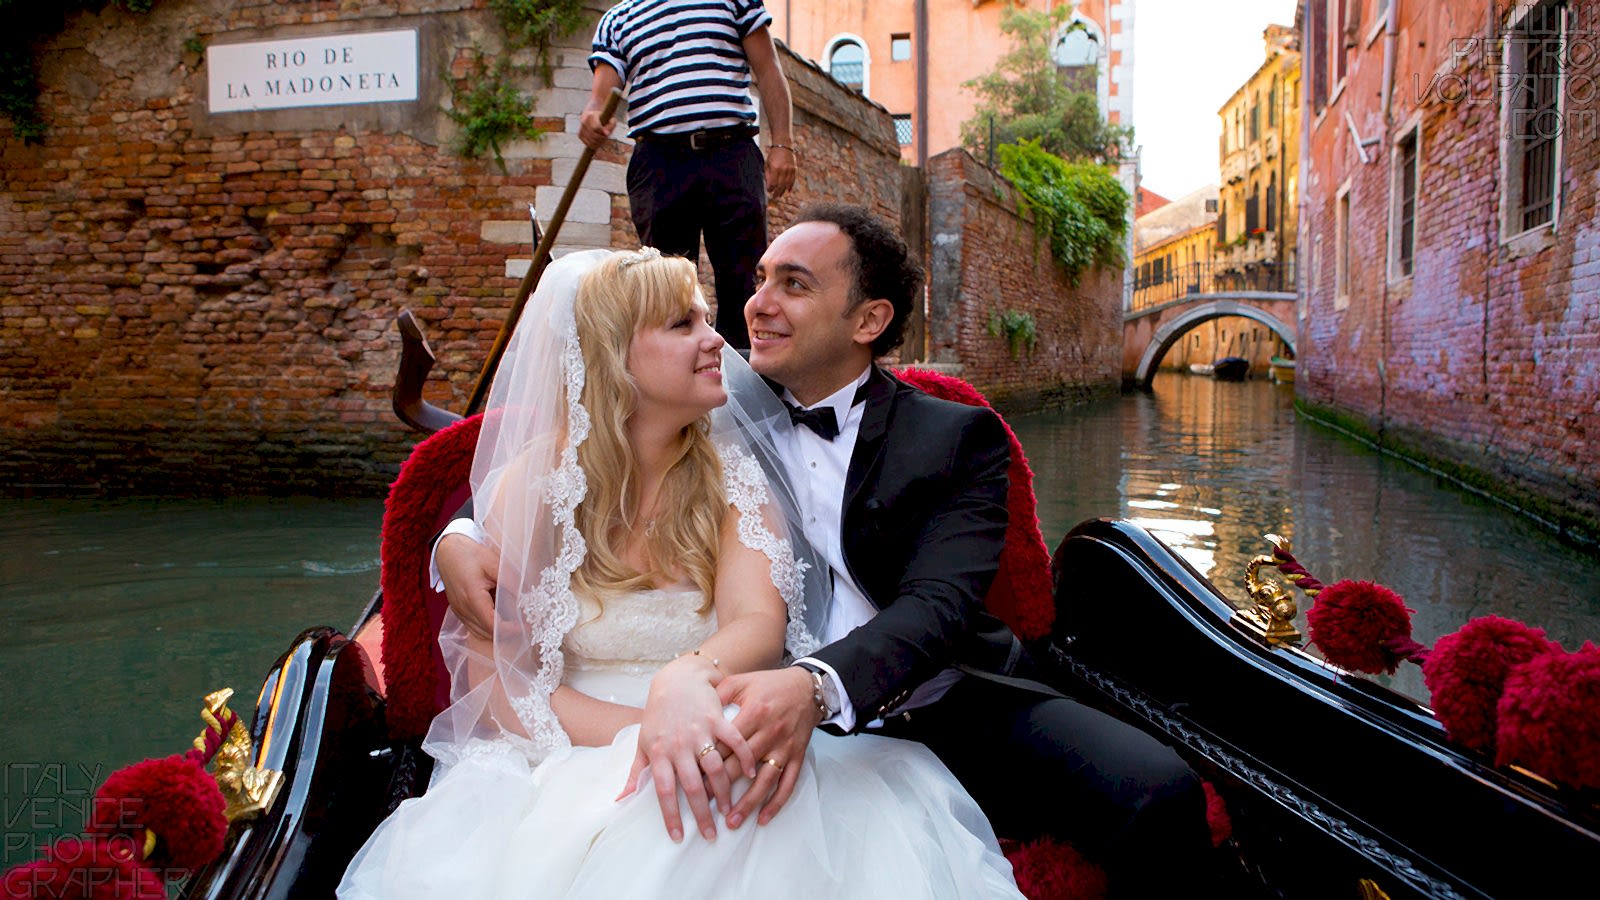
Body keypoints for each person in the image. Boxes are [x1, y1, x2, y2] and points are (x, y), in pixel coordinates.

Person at [437, 206, 1215, 898]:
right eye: (761, 277)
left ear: (868, 319)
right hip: (740, 709)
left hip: (928, 701)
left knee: (1157, 790)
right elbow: (573, 441)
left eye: (794, 285)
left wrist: (812, 688)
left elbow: (937, 609)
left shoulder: (955, 439)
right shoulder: (716, 408)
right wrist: (458, 536)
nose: (756, 305)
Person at [340, 248, 1024, 898]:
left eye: (705, 318)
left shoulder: (734, 475)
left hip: (722, 721)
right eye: (682, 324)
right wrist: (647, 733)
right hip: (565, 750)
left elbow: (758, 623)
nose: (716, 341)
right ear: (614, 358)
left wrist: (688, 694)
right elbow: (503, 682)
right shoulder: (535, 483)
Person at [579, 0, 797, 350]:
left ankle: (748, 388)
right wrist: (592, 115)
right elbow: (598, 99)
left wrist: (782, 145)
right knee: (667, 287)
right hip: (659, 164)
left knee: (743, 281)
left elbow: (769, 68)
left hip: (731, 153)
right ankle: (679, 387)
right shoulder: (617, 20)